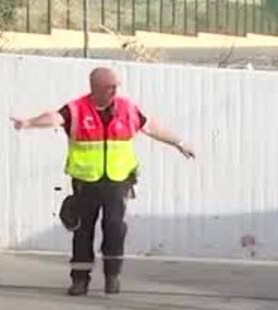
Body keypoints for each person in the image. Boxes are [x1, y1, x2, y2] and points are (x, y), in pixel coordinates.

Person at [12, 65, 196, 295]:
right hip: (85, 181)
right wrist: (28, 123)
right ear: (95, 88)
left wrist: (179, 143)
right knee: (83, 231)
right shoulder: (77, 109)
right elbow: (54, 118)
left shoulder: (127, 108)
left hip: (118, 181)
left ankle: (112, 276)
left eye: (116, 86)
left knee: (114, 228)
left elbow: (151, 127)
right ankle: (80, 280)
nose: (115, 91)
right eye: (110, 87)